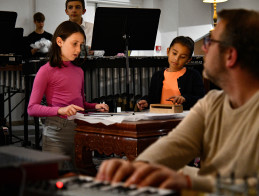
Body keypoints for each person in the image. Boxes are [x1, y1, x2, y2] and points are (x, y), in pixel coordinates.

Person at [96, 9, 259, 192]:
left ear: (230, 56)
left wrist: (188, 181)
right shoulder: (212, 102)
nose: (204, 49)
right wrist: (135, 168)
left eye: (210, 42)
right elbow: (176, 144)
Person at [27, 21, 109, 168]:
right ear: (59, 41)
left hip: (79, 131)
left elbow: (81, 104)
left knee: (80, 179)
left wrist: (95, 106)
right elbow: (32, 108)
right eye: (74, 44)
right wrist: (60, 110)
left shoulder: (79, 71)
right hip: (55, 134)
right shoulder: (46, 71)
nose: (78, 49)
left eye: (81, 45)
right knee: (55, 182)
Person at [137, 36, 205, 111]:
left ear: (188, 60)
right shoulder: (157, 76)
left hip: (183, 119)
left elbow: (201, 99)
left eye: (182, 57)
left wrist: (185, 98)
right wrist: (146, 102)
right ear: (168, 51)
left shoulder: (193, 75)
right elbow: (152, 98)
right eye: (174, 53)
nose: (176, 59)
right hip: (160, 118)